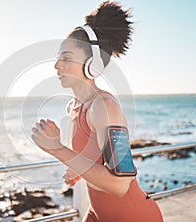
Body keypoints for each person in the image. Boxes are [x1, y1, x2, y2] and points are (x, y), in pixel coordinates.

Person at [31, 1, 163, 221]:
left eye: (66, 58)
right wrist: (78, 169)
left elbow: (120, 184)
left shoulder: (105, 106)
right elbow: (93, 159)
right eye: (57, 58)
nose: (56, 65)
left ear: (92, 64)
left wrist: (56, 148)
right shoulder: (73, 108)